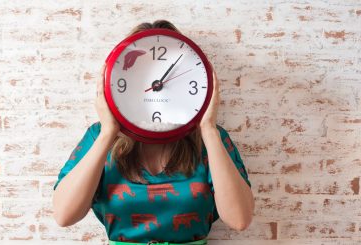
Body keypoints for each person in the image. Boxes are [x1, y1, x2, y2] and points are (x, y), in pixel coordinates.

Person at [52, 20, 254, 245]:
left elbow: (240, 220)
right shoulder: (99, 135)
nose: (155, 84)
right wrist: (109, 132)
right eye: (142, 75)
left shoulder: (210, 139)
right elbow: (64, 215)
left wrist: (207, 128)